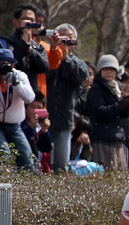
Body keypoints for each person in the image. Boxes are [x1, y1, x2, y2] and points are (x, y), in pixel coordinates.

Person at [45, 23, 89, 172]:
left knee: (61, 164)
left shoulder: (78, 63)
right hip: (44, 115)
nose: (65, 41)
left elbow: (80, 79)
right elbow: (46, 75)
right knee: (39, 160)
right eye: (62, 37)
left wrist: (66, 59)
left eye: (69, 38)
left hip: (64, 118)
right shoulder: (47, 56)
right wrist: (55, 52)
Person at [86, 54, 129, 170]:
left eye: (112, 70)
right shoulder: (96, 89)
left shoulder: (116, 88)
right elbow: (100, 112)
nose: (109, 72)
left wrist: (127, 107)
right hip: (102, 140)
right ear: (100, 70)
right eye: (106, 69)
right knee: (106, 173)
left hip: (117, 138)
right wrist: (121, 105)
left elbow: (120, 114)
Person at [0, 48, 35, 169]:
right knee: (4, 155)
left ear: (13, 64)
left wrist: (16, 83)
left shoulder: (20, 76)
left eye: (7, 63)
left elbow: (30, 98)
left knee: (27, 159)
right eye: (1, 63)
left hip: (14, 126)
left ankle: (28, 185)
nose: (4, 66)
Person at [2, 5, 49, 92]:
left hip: (32, 94)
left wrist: (31, 51)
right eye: (26, 19)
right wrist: (24, 43)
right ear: (16, 21)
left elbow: (44, 67)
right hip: (12, 93)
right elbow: (13, 60)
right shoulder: (5, 42)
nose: (29, 23)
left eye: (32, 20)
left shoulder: (38, 47)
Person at [20, 90, 52, 171]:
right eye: (32, 107)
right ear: (26, 108)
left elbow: (46, 148)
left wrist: (45, 131)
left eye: (39, 108)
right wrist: (30, 127)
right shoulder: (18, 124)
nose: (35, 111)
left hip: (37, 165)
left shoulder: (41, 125)